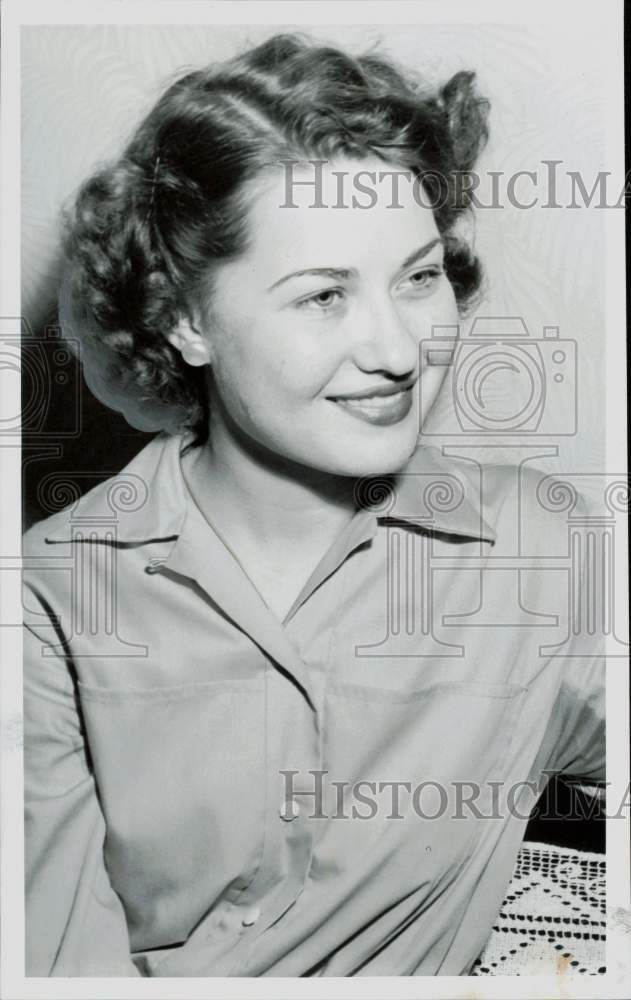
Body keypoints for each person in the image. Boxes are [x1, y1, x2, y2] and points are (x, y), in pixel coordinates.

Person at [22, 32, 604, 977]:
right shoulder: (46, 606)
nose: (399, 350)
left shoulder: (539, 553)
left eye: (418, 278)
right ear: (185, 321)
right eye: (323, 296)